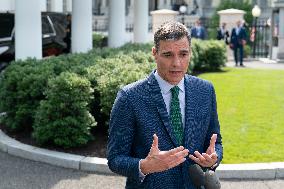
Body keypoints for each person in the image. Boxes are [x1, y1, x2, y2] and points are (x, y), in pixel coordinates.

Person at [107, 21, 223, 189]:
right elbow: (115, 158)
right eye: (168, 55)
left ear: (190, 52)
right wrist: (145, 166)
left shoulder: (205, 90)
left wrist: (214, 158)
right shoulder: (129, 97)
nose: (177, 63)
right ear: (155, 53)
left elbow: (216, 141)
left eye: (183, 54)